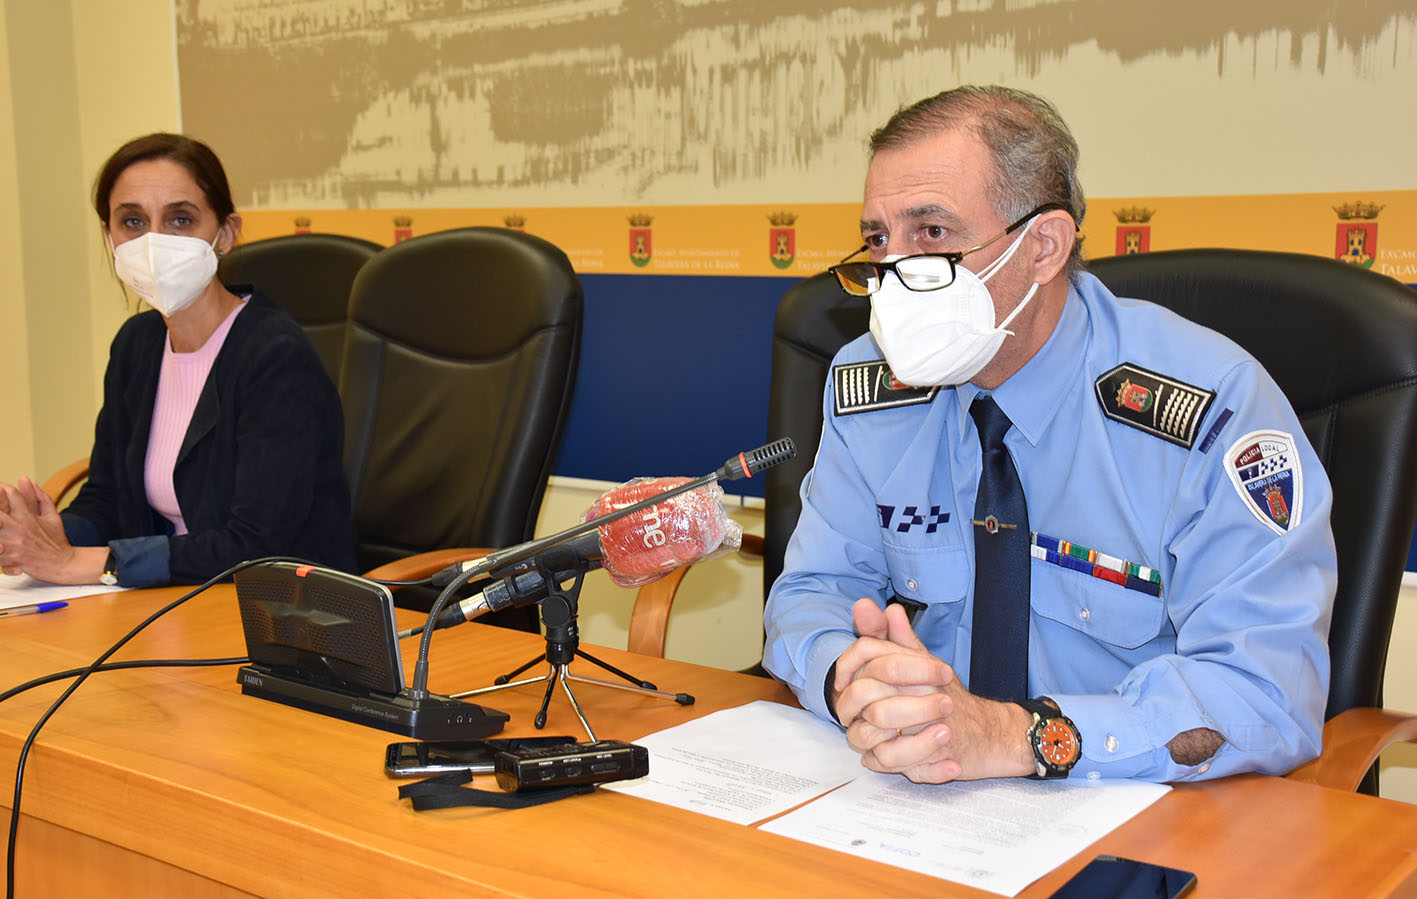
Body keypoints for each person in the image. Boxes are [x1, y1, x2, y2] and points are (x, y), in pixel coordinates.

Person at [762, 86, 1335, 784]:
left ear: (1042, 246)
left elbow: (1265, 696)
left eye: (932, 235)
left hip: (1139, 807)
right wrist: (846, 677)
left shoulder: (1209, 406)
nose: (891, 277)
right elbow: (811, 591)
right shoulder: (867, 390)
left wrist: (1017, 736)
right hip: (914, 801)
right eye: (880, 240)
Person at [0, 133, 356, 587]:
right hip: (167, 602)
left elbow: (258, 544)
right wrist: (50, 538)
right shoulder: (136, 344)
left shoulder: (274, 356)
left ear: (224, 234)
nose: (154, 242)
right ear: (109, 237)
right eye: (132, 221)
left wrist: (88, 563)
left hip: (279, 610)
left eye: (180, 219)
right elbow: (109, 499)